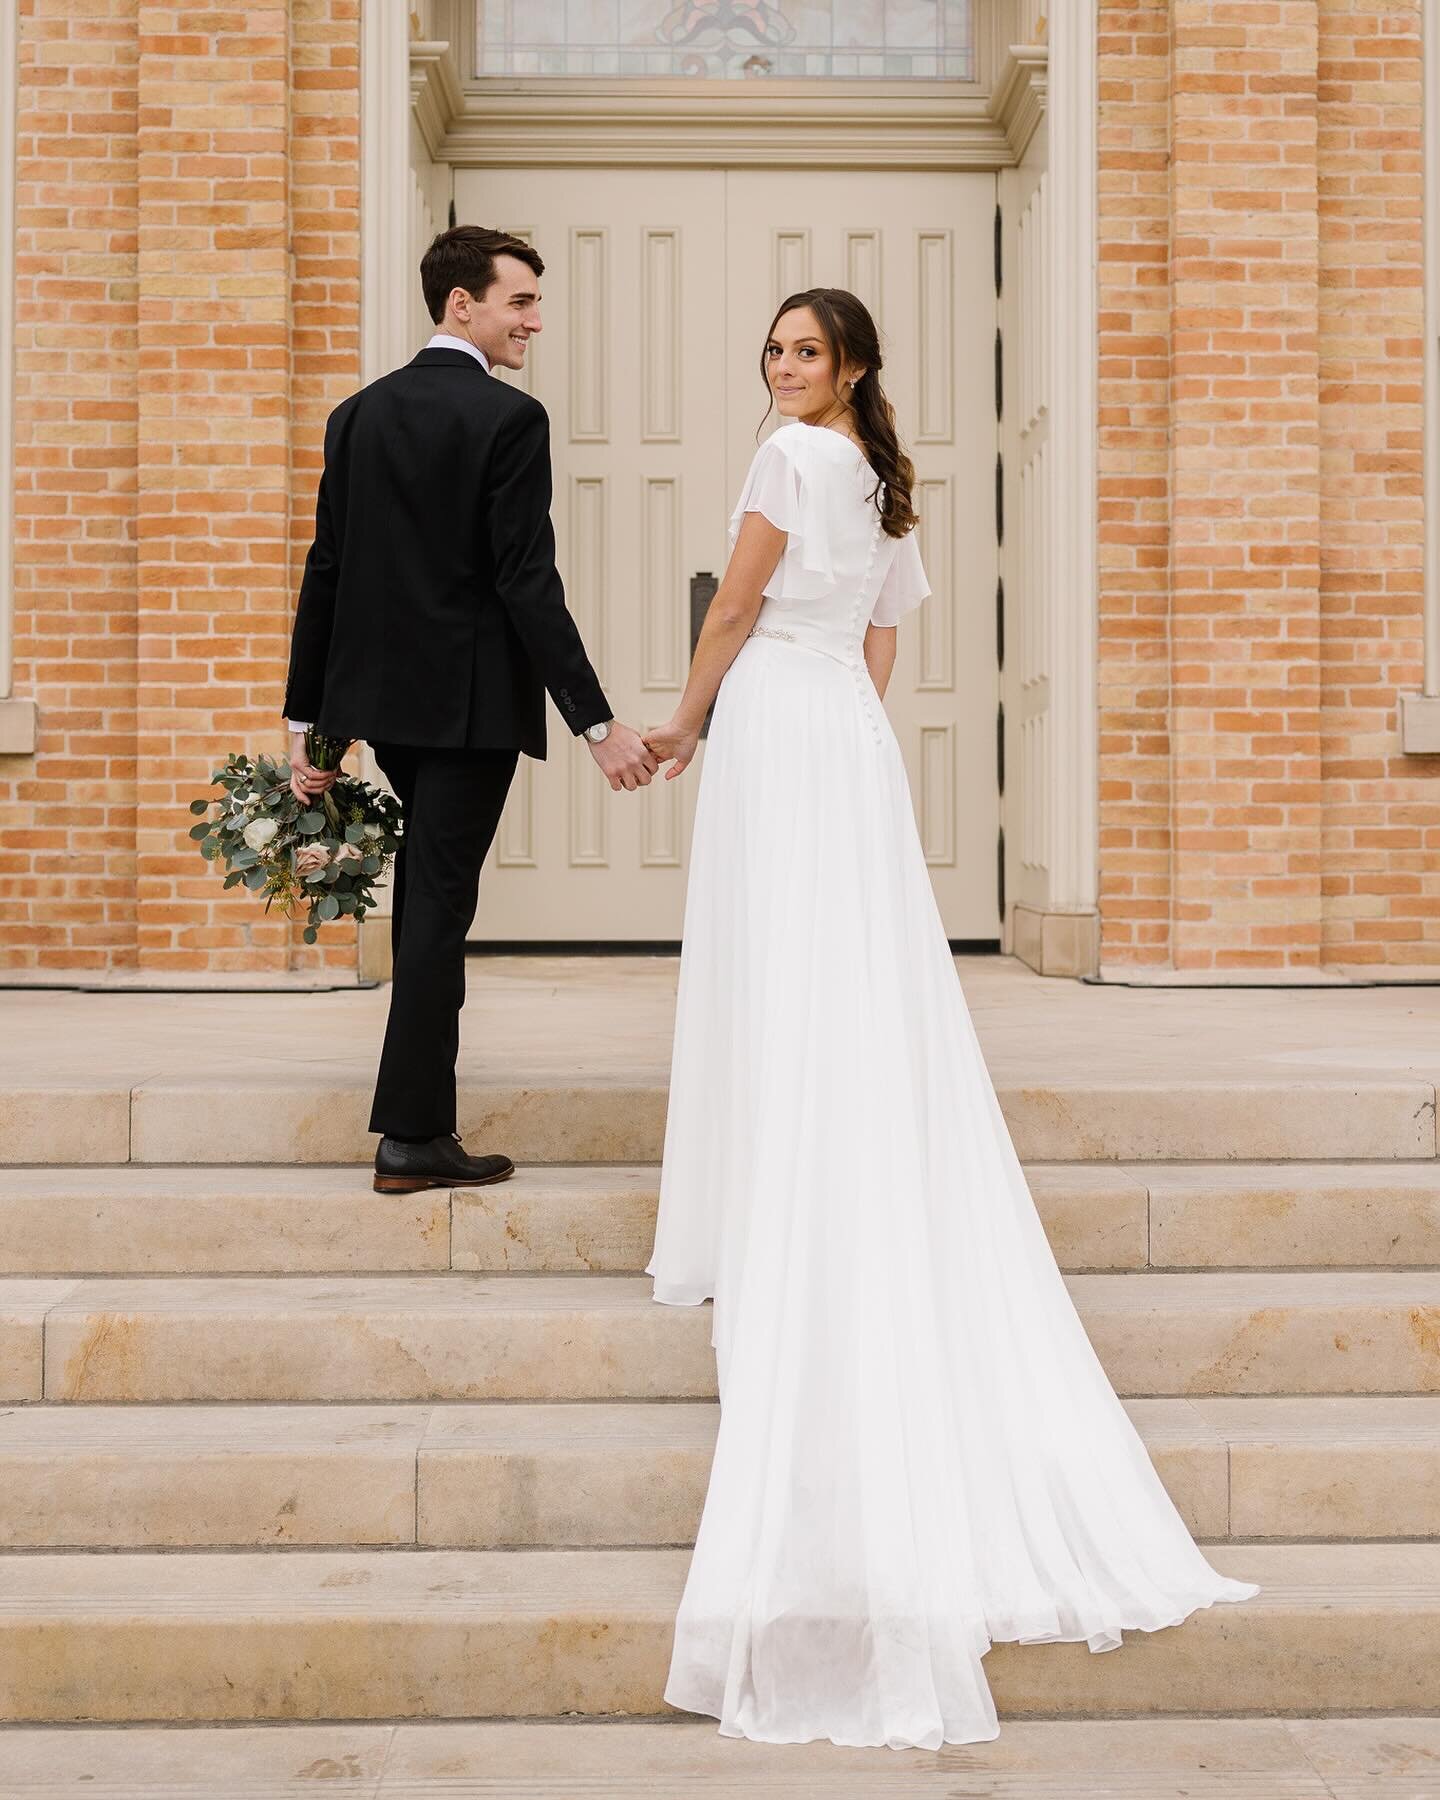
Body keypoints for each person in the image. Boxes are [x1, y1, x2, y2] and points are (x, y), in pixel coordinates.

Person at [642, 287, 1259, 1750]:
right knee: (840, 966)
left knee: (773, 961)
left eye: (803, 350)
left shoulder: (791, 461)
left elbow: (736, 603)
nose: (781, 366)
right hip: (843, 740)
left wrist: (683, 717)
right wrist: (841, 729)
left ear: (848, 364)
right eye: (773, 348)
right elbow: (882, 647)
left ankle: (765, 1193)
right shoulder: (884, 481)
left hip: (783, 729)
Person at [283, 226, 656, 1196]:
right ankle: (411, 1136)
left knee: (428, 902)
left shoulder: (355, 415)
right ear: (463, 304)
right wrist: (595, 722)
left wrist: (310, 727)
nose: (535, 320)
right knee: (438, 911)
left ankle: (414, 1122)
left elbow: (328, 571)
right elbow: (526, 581)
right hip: (469, 713)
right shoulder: (506, 419)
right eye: (521, 301)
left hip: (381, 709)